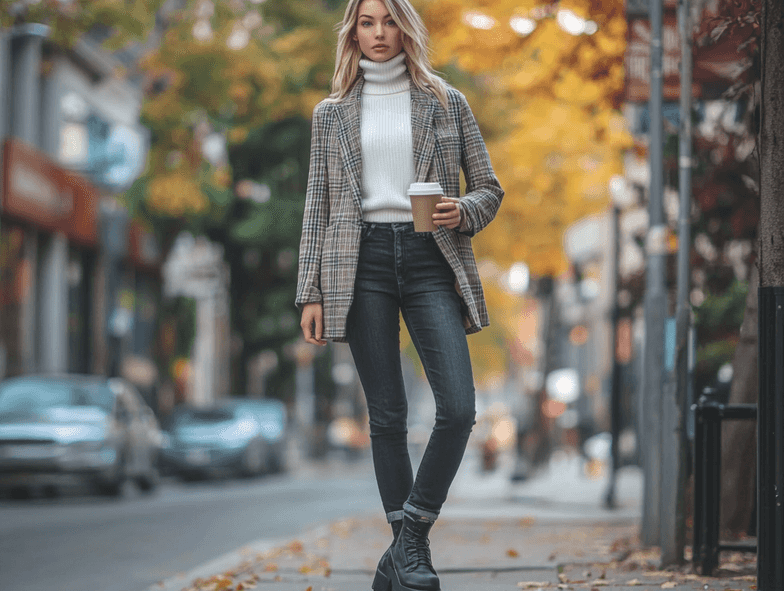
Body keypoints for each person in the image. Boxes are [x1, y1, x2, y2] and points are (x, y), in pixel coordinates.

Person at [296, 1, 503, 589]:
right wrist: (308, 290)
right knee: (387, 415)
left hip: (429, 255)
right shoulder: (330, 114)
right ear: (353, 31)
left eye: (389, 22)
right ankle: (408, 558)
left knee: (459, 409)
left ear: (406, 28)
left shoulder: (445, 102)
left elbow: (489, 187)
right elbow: (318, 207)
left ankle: (408, 539)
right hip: (356, 260)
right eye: (367, 22)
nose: (379, 33)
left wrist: (462, 210)